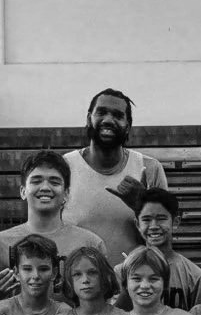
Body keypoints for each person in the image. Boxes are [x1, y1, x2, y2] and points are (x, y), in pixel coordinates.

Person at [0, 150, 107, 307]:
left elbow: (104, 305)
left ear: (66, 194)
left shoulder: (90, 243)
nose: (45, 187)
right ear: (23, 191)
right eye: (36, 181)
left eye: (55, 182)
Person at [63, 87, 168, 261]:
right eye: (101, 112)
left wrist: (142, 206)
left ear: (128, 126)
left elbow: (165, 241)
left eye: (118, 115)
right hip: (80, 284)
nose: (108, 120)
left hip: (134, 284)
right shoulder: (65, 167)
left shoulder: (149, 169)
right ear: (89, 119)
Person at [118, 188, 201, 313]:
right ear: (137, 224)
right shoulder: (121, 272)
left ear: (176, 221)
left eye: (161, 218)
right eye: (146, 219)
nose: (154, 226)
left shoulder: (195, 276)